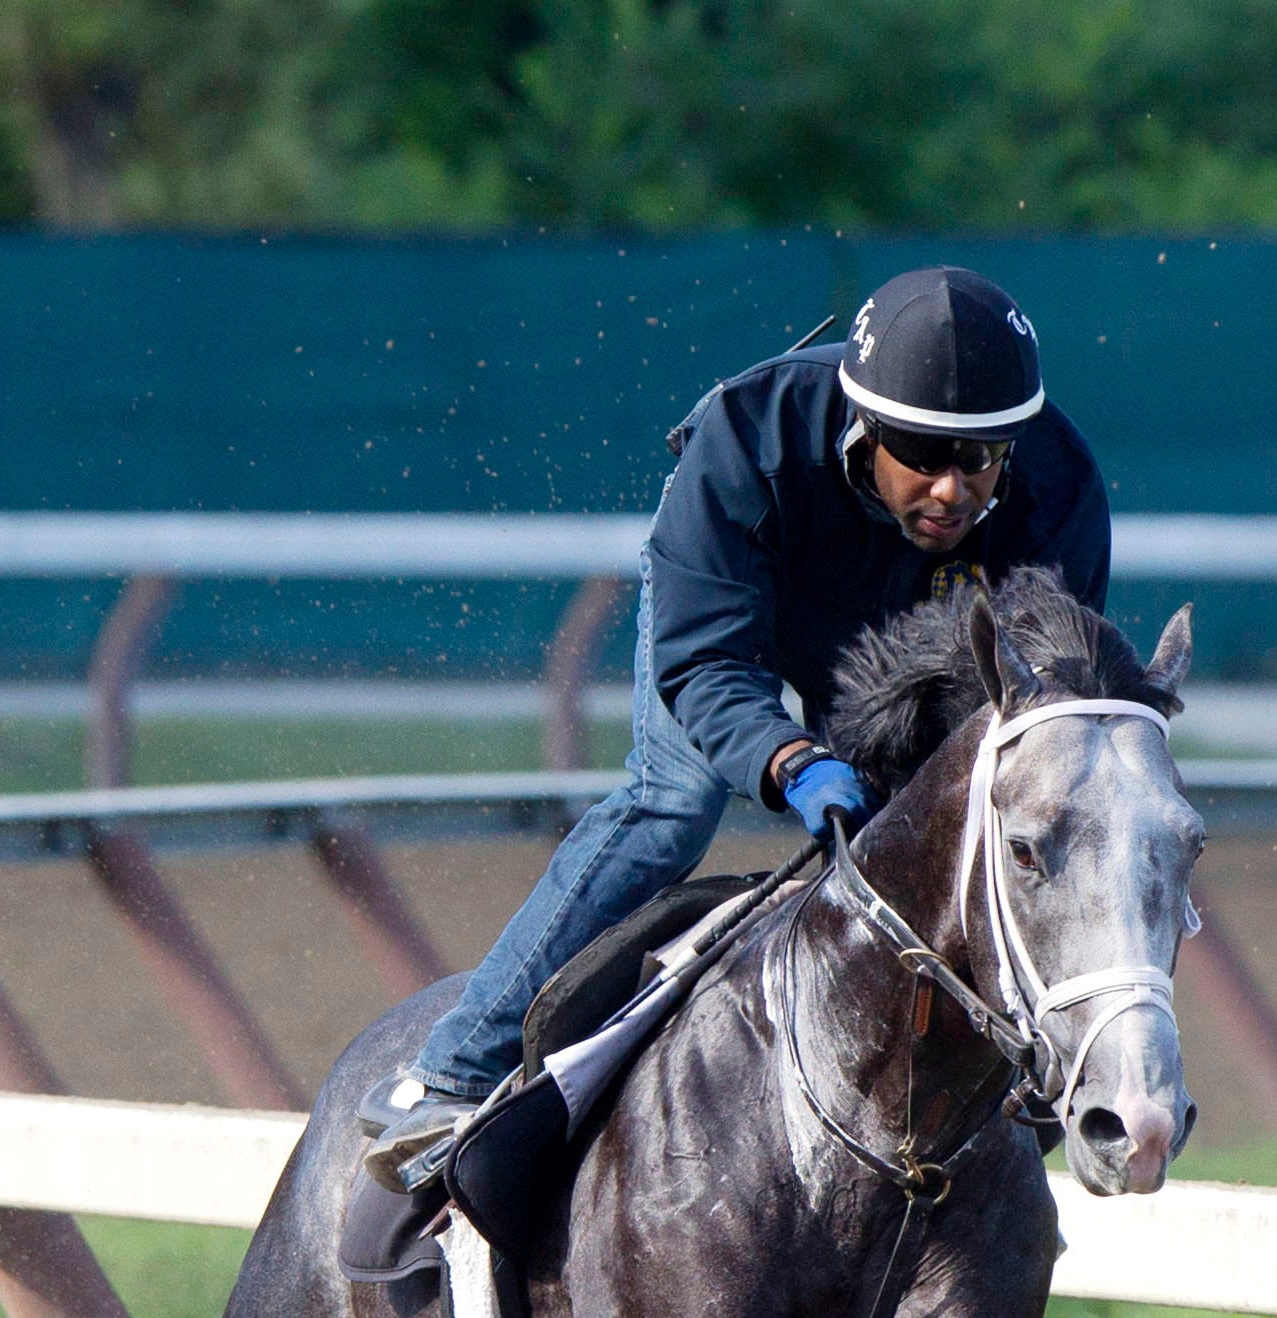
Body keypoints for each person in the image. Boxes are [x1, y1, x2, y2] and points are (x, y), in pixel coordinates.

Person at [366, 264, 1111, 1188]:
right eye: (923, 454)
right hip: (743, 610)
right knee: (671, 807)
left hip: (910, 644)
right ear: (866, 426)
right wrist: (790, 757)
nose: (953, 490)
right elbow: (705, 661)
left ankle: (1028, 1081)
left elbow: (1037, 717)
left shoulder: (1059, 488)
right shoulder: (744, 439)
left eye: (981, 456)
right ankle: (454, 1075)